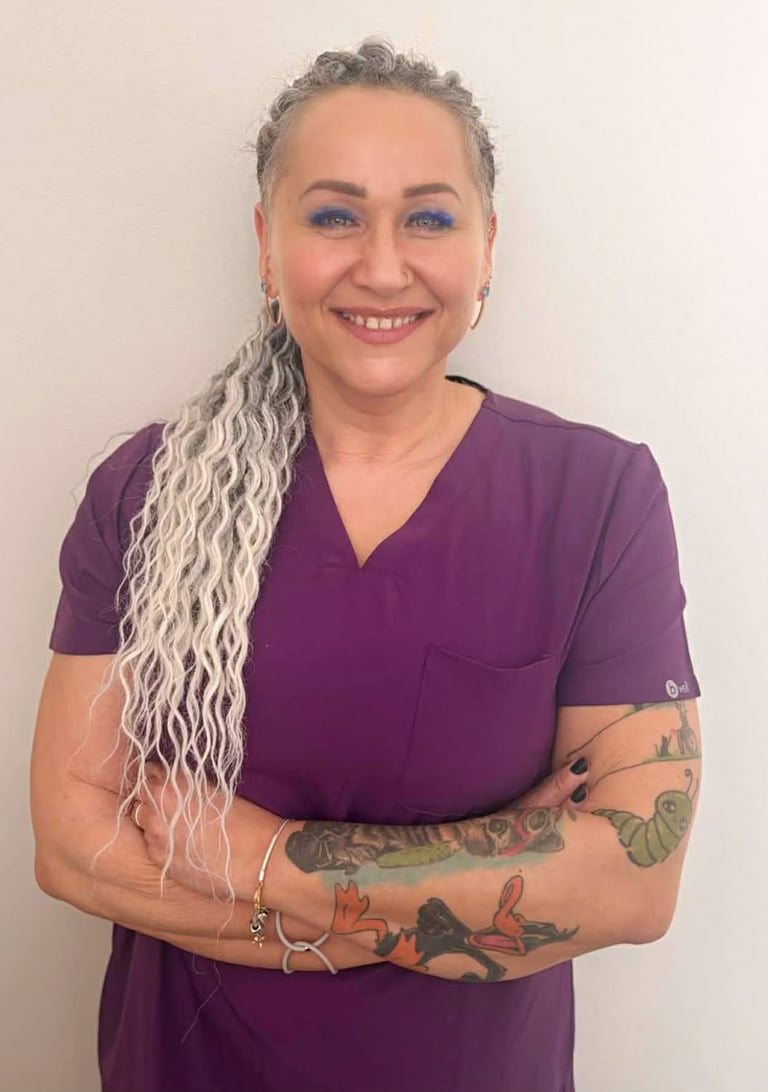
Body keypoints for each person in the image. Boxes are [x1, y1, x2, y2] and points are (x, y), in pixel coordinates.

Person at [30, 36, 702, 1092]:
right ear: (267, 244)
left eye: (429, 218)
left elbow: (632, 882)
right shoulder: (145, 491)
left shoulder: (598, 497)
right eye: (334, 216)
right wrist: (440, 894)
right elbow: (73, 846)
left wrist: (259, 859)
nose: (383, 267)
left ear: (487, 247)